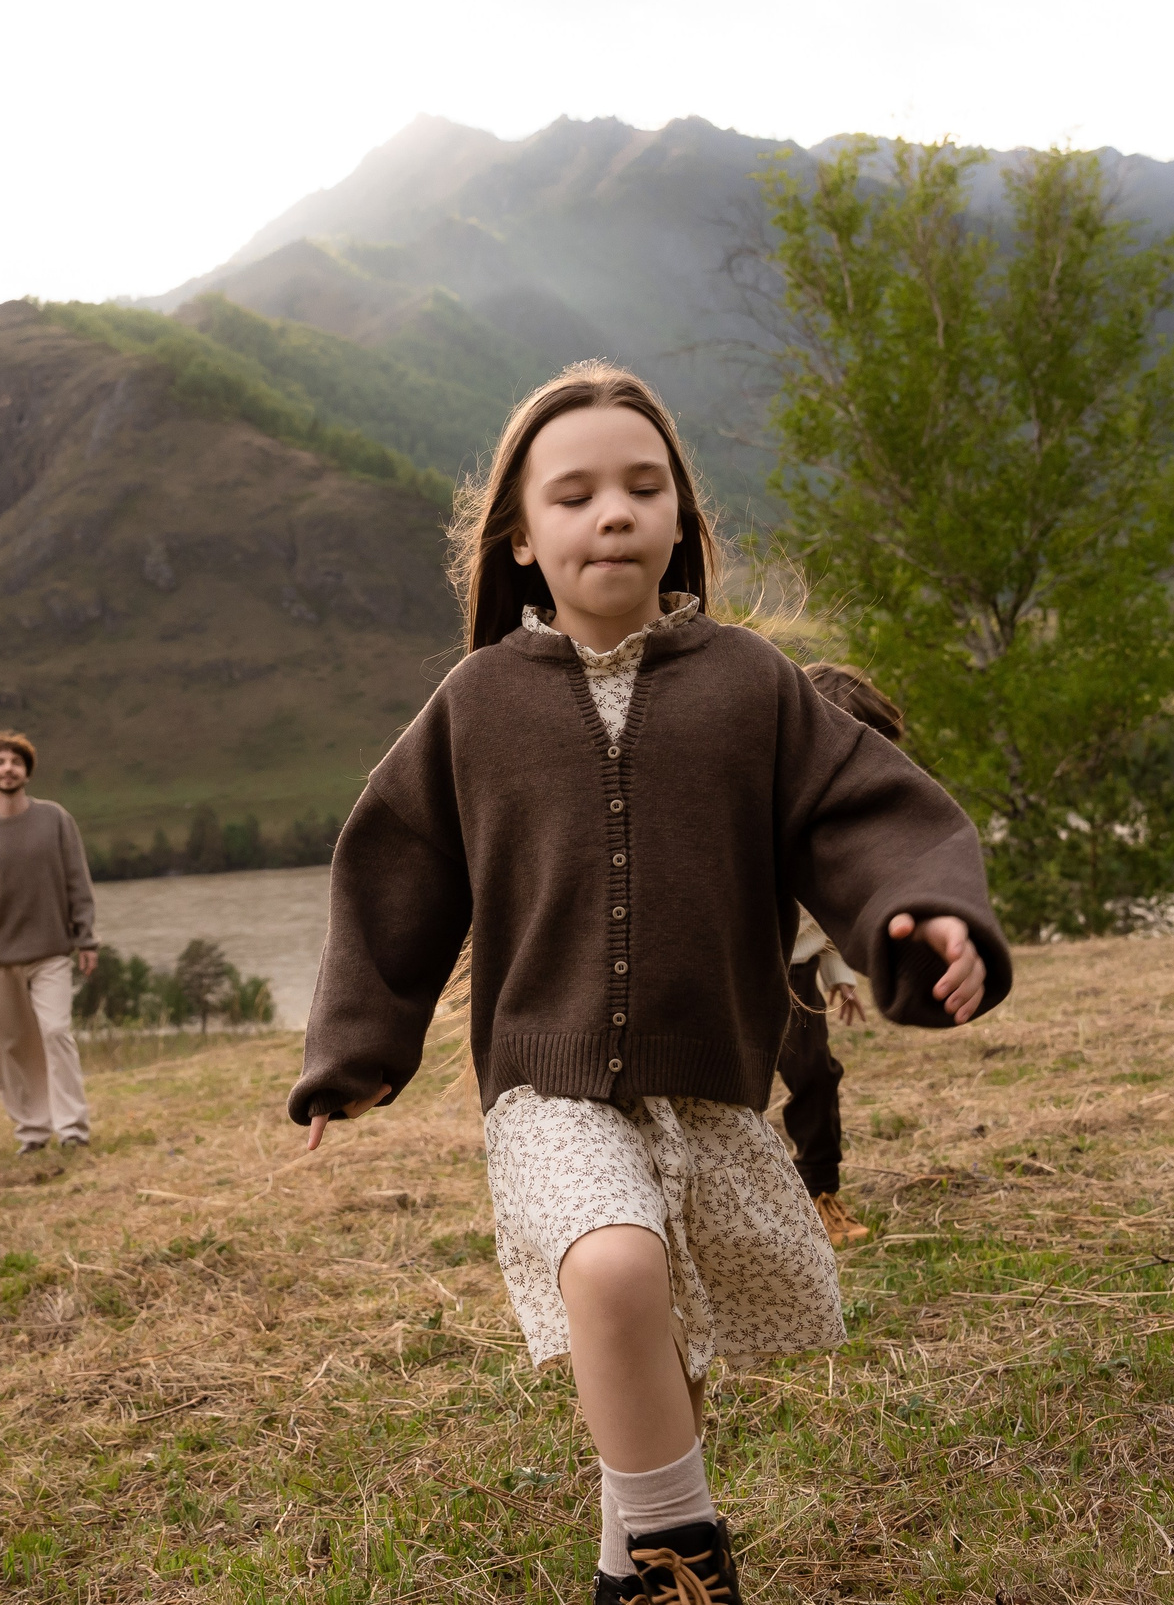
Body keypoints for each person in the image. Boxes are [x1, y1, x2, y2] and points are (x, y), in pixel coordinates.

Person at [292, 363, 1010, 1604]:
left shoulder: (750, 688)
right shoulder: (476, 706)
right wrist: (354, 1055)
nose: (610, 512)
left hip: (708, 1088)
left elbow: (861, 816)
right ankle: (690, 1572)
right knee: (614, 1269)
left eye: (642, 485)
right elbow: (396, 870)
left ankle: (629, 1568)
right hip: (546, 1084)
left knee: (663, 1355)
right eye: (571, 494)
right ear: (521, 538)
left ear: (681, 518)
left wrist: (925, 914)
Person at [782, 662, 909, 1249]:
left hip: (798, 969)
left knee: (814, 1073)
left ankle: (817, 1193)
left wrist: (836, 972)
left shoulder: (831, 815)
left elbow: (813, 908)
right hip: (747, 966)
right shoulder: (770, 799)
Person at [0, 730, 100, 1153]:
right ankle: (32, 1131)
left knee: (55, 1032)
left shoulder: (55, 819)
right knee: (11, 1045)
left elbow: (77, 883)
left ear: (26, 770)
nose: (7, 768)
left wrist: (87, 939)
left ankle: (72, 1130)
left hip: (51, 951)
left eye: (15, 761)